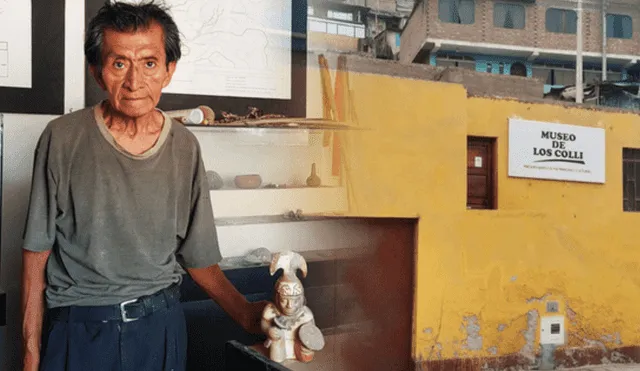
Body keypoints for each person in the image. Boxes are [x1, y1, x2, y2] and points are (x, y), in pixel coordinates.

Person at [20, 2, 267, 370]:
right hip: (81, 331)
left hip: (160, 329)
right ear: (97, 71)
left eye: (149, 63)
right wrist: (30, 350)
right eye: (119, 63)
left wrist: (246, 314)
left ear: (169, 70)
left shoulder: (184, 147)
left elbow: (197, 258)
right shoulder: (62, 138)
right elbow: (35, 254)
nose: (135, 82)